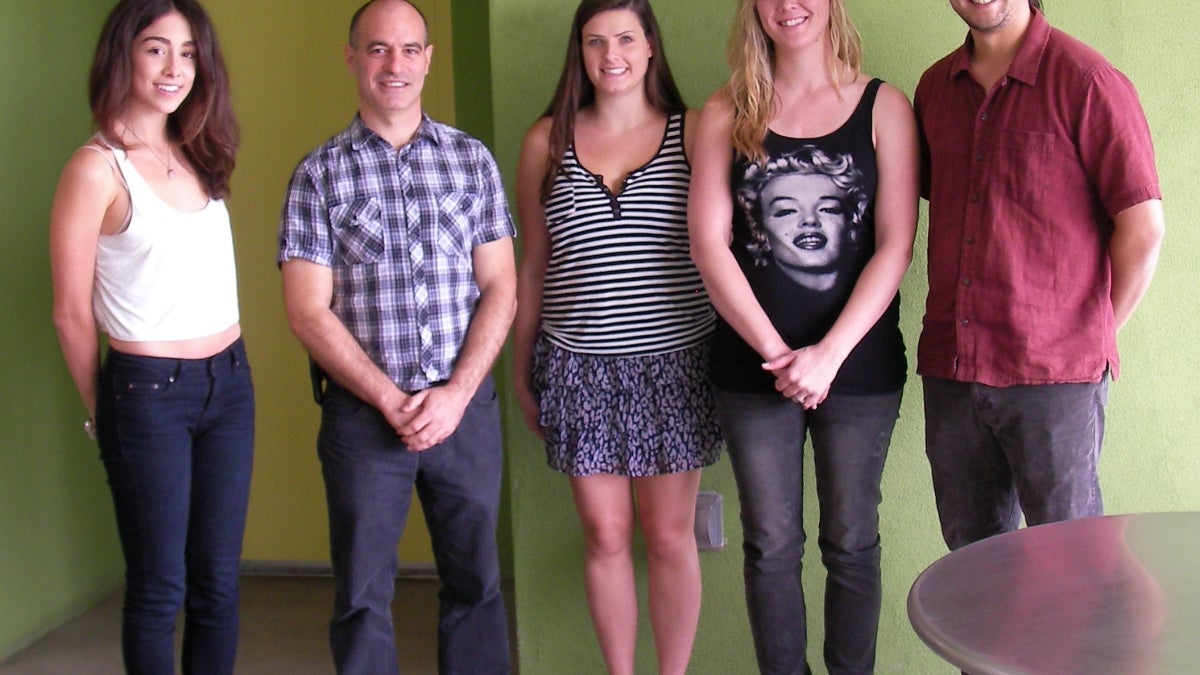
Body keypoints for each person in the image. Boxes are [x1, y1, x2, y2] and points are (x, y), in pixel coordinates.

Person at [277, 0, 516, 672]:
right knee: (361, 596)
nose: (395, 64)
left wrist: (454, 394)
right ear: (351, 57)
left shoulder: (472, 163)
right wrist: (390, 399)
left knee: (476, 585)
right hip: (363, 417)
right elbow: (306, 310)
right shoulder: (318, 175)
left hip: (464, 414)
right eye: (378, 48)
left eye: (410, 48)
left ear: (428, 58)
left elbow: (502, 286)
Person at [688, 0, 918, 671]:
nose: (789, 5)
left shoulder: (883, 107)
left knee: (851, 542)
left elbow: (895, 246)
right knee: (771, 544)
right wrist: (778, 355)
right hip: (750, 369)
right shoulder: (724, 111)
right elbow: (709, 245)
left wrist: (827, 356)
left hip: (860, 369)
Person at [512, 1, 722, 673]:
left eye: (626, 38)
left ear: (651, 46)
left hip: (676, 363)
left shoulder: (693, 134)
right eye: (596, 41)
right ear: (580, 51)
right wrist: (520, 370)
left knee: (667, 535)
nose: (612, 55)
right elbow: (535, 265)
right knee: (605, 534)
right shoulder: (546, 141)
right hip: (577, 366)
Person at [915, 0, 1165, 552]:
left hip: (1055, 381)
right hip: (953, 372)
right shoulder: (934, 89)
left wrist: (1090, 335)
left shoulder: (1088, 82)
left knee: (1072, 571)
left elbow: (1143, 229)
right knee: (972, 574)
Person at [48, 0, 252, 673]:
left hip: (229, 384)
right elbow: (72, 313)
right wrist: (102, 411)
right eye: (157, 48)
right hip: (146, 394)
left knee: (219, 584)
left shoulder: (200, 149)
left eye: (189, 52)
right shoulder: (96, 168)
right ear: (123, 53)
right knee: (160, 586)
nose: (175, 67)